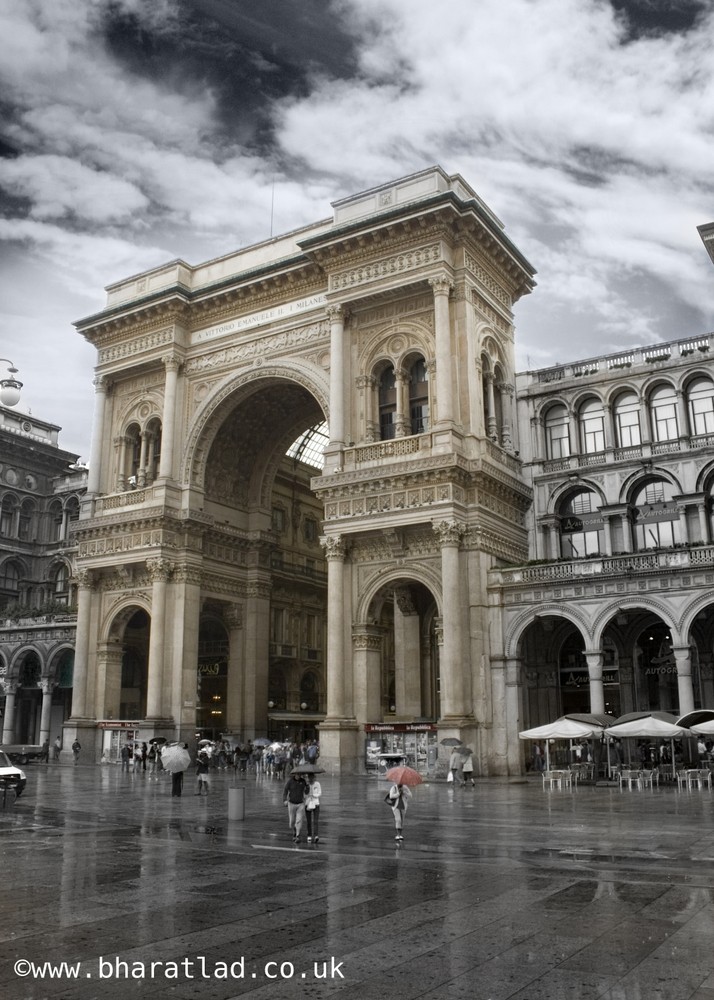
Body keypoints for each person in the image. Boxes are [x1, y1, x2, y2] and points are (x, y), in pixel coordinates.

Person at [283, 771, 308, 843]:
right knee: (292, 821)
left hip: (300, 804)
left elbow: (306, 792)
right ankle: (294, 831)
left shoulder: (303, 781)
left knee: (299, 820)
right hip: (291, 803)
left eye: (300, 774)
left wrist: (307, 787)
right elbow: (285, 790)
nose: (298, 776)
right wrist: (285, 800)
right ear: (294, 774)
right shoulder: (290, 782)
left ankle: (297, 835)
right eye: (297, 774)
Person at [305, 773, 322, 843]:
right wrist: (307, 788)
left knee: (315, 821)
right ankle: (309, 835)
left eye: (312, 777)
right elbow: (305, 793)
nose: (311, 779)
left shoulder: (317, 784)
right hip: (308, 803)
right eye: (309, 777)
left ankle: (316, 835)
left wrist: (314, 795)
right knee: (309, 821)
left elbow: (320, 793)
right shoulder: (306, 784)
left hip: (316, 803)